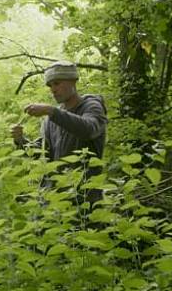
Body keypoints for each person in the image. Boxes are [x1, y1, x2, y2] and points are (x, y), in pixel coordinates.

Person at [11, 61, 107, 208]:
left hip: (85, 199)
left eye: (57, 83)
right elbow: (41, 152)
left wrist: (51, 111)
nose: (53, 90)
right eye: (50, 86)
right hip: (54, 199)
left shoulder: (91, 106)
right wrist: (20, 140)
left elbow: (89, 130)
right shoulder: (52, 118)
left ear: (73, 81)